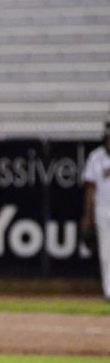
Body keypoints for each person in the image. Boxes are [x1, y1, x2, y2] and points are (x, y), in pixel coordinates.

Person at [81, 117, 110, 301]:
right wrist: (88, 216)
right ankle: (109, 291)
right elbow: (90, 189)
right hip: (103, 206)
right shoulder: (96, 157)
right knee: (106, 251)